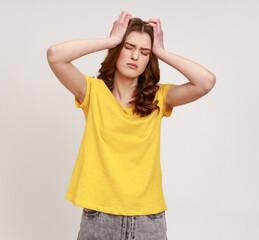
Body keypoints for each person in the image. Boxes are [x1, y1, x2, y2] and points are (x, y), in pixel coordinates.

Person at [47, 10, 215, 240]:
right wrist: (111, 40)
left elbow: (206, 82)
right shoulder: (93, 92)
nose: (135, 56)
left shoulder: (159, 97)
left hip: (149, 220)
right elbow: (55, 55)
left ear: (149, 59)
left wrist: (162, 52)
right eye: (128, 47)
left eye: (144, 52)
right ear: (117, 51)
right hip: (100, 217)